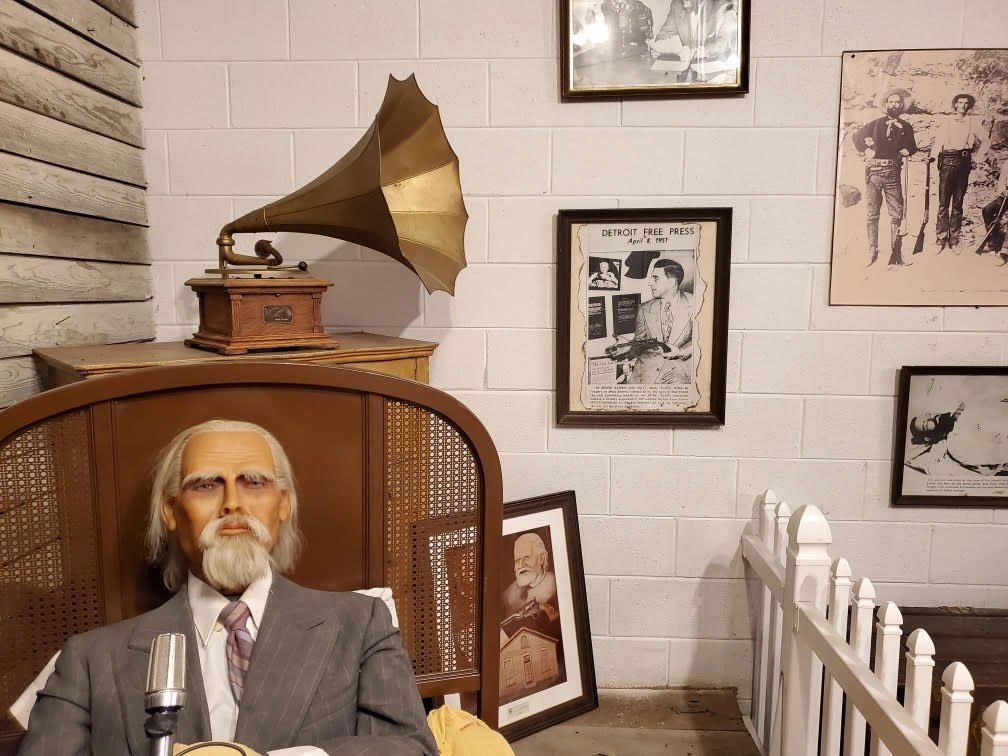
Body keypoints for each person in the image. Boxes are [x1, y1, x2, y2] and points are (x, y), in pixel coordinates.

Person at [18, 419, 436, 756]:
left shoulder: (361, 623)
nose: (232, 502)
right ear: (170, 511)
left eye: (254, 482)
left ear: (283, 505)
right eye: (206, 484)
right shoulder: (91, 659)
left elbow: (411, 748)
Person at [852, 88, 920, 268]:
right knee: (872, 214)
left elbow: (913, 147)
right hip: (874, 173)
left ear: (902, 105)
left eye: (898, 102)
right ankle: (872, 250)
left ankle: (896, 252)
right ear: (886, 105)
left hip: (893, 174)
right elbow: (856, 137)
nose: (894, 105)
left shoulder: (906, 127)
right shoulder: (875, 124)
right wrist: (866, 150)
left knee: (896, 214)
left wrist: (908, 150)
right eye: (891, 102)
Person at [930, 93, 985, 251]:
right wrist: (933, 157)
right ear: (955, 105)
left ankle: (954, 241)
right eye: (960, 102)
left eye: (966, 103)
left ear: (969, 106)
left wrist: (978, 159)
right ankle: (940, 240)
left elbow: (986, 140)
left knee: (958, 203)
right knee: (943, 203)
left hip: (964, 163)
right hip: (947, 162)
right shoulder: (946, 121)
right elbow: (939, 141)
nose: (963, 105)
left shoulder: (973, 123)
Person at [627, 258, 694, 385]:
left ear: (672, 282)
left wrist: (682, 352)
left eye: (655, 278)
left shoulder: (696, 304)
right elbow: (639, 344)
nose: (650, 283)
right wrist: (625, 346)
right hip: (646, 374)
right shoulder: (643, 308)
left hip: (680, 374)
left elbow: (705, 343)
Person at [650, 0, 738, 64]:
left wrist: (698, 52)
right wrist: (659, 46)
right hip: (686, 72)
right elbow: (666, 32)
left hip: (717, 71)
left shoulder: (723, 5)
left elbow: (724, 42)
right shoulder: (676, 5)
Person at [980, 156, 1008, 266]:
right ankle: (994, 241)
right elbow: (1001, 181)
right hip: (1006, 195)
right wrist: (1003, 190)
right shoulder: (1007, 163)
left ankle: (1004, 252)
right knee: (987, 210)